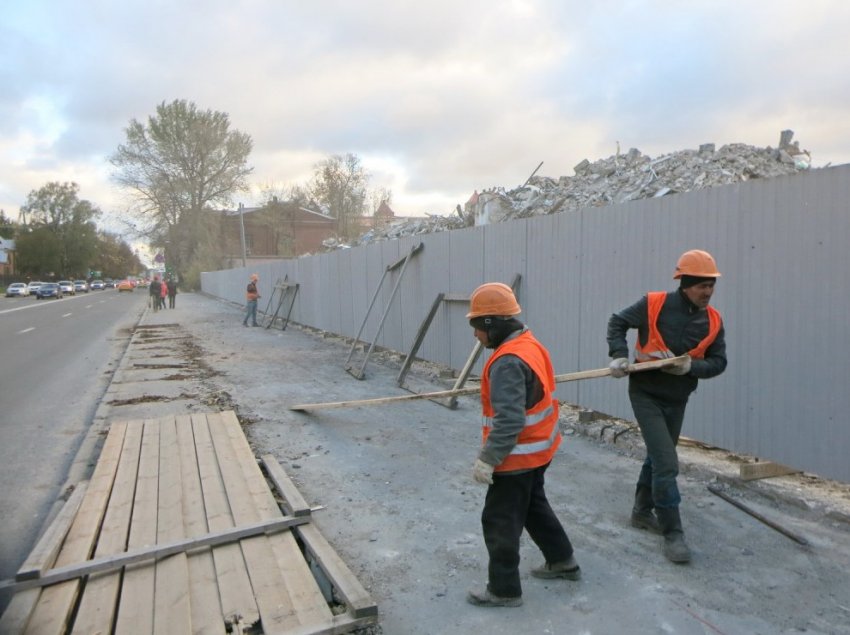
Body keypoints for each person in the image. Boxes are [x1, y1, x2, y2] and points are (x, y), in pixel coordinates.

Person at [607, 249, 727, 564]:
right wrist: (618, 354)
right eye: (703, 285)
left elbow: (719, 363)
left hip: (678, 397)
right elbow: (617, 322)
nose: (708, 292)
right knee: (667, 462)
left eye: (711, 285)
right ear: (686, 283)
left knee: (659, 458)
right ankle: (673, 532)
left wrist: (690, 369)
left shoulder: (713, 321)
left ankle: (641, 512)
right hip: (645, 393)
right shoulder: (654, 304)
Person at [465, 282, 579, 608]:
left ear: (492, 324)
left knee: (499, 520)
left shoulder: (506, 362)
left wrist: (488, 459)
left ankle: (503, 590)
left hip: (516, 458)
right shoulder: (529, 344)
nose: (475, 336)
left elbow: (510, 420)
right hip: (540, 450)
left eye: (477, 328)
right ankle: (563, 561)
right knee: (532, 507)